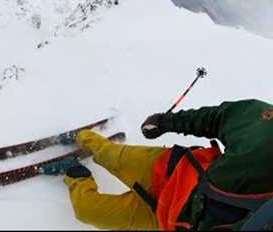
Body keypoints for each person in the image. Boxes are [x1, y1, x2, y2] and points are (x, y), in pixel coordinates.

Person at [42, 99, 273, 230]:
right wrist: (166, 122)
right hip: (171, 170)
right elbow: (220, 117)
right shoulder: (265, 130)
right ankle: (81, 136)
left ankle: (76, 173)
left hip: (162, 218)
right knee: (107, 154)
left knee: (87, 211)